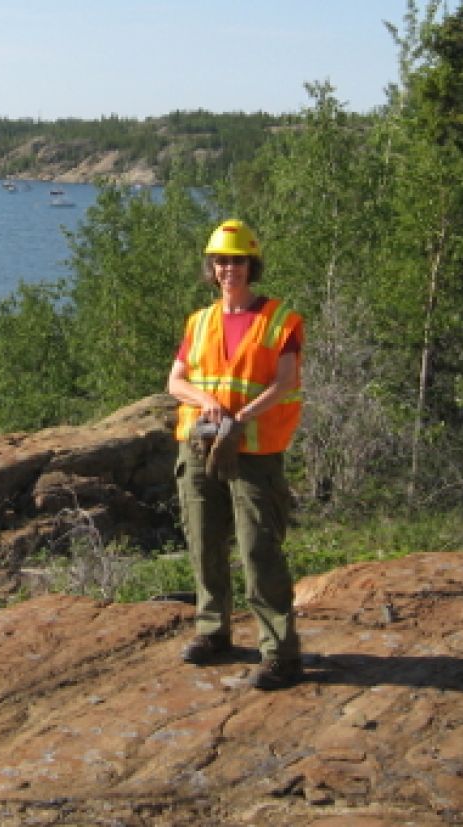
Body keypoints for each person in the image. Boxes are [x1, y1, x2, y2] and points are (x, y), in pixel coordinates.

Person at [166, 218, 304, 690]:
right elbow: (175, 381)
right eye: (221, 261)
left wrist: (239, 420)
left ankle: (280, 653)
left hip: (254, 451)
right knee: (204, 541)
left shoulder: (280, 320)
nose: (229, 269)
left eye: (238, 261)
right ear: (212, 267)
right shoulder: (199, 321)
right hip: (200, 443)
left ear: (252, 265)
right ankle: (213, 632)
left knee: (258, 549)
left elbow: (284, 381)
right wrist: (205, 403)